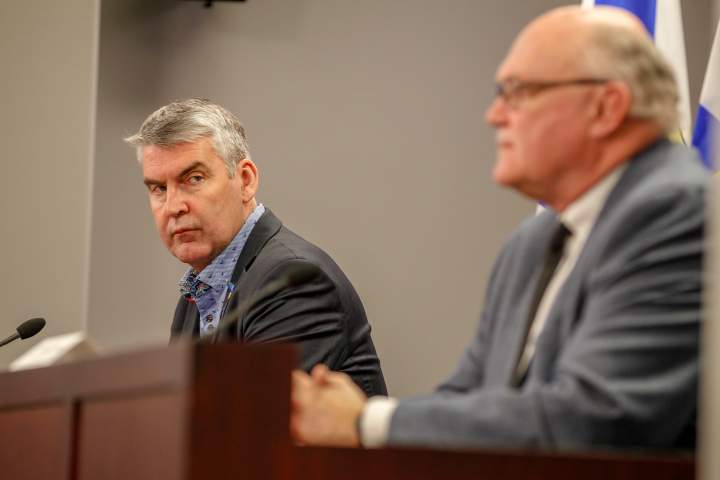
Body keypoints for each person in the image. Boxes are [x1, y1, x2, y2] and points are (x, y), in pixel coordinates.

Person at [291, 6, 707, 450]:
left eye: (518, 92)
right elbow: (466, 397)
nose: (494, 115)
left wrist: (367, 422)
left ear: (606, 107)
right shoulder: (532, 243)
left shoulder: (680, 213)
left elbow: (598, 417)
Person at [125, 99, 387, 396]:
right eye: (159, 188)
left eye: (194, 179)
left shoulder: (292, 281)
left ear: (246, 181)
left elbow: (256, 418)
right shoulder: (197, 293)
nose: (173, 207)